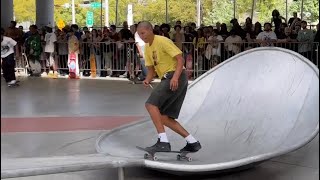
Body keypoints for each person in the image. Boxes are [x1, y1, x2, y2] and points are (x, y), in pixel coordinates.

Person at [137, 21, 202, 152]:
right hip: (170, 78)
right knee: (164, 117)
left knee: (150, 105)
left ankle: (163, 142)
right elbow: (151, 71)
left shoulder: (162, 41)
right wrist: (147, 79)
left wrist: (175, 77)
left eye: (143, 33)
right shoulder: (147, 48)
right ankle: (193, 142)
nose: (142, 36)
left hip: (174, 75)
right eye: (139, 34)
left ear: (150, 30)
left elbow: (180, 59)